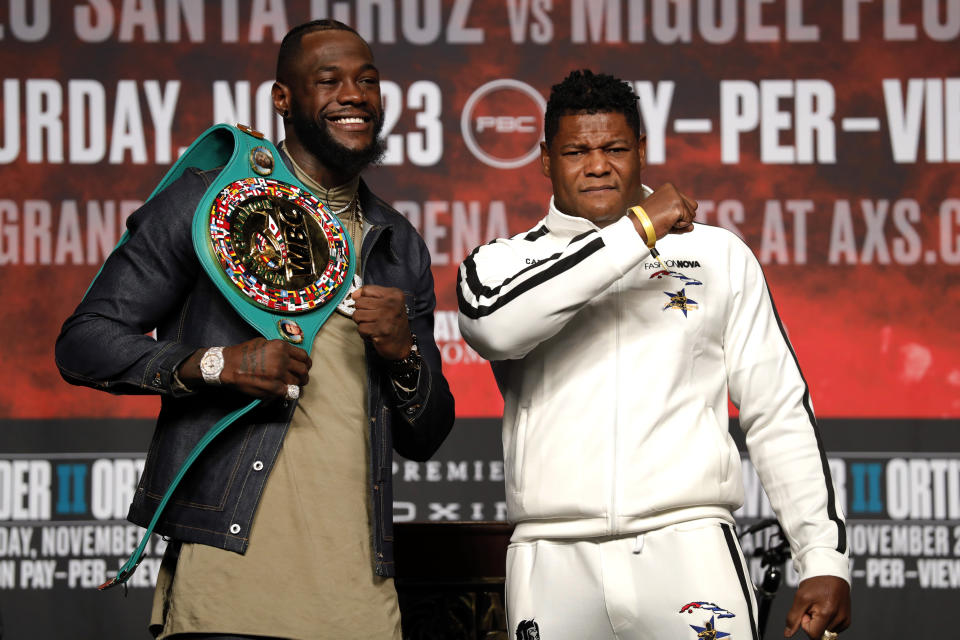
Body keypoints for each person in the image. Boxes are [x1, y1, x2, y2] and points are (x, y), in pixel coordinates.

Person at [55, 20, 455, 639]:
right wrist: (216, 365)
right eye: (329, 81)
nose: (355, 95)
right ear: (282, 99)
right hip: (226, 592)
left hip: (359, 606)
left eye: (368, 81)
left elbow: (427, 436)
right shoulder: (209, 200)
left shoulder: (397, 246)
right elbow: (84, 343)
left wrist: (403, 354)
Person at [457, 70, 850, 640]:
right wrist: (637, 229)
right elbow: (494, 328)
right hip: (553, 558)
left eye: (615, 148)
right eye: (576, 151)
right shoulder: (504, 264)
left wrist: (820, 555)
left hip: (688, 548)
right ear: (545, 159)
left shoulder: (717, 256)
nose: (597, 165)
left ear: (642, 150)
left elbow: (777, 411)